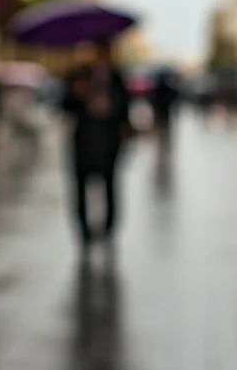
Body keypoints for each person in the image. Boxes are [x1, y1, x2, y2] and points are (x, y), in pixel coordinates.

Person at [62, 39, 132, 254]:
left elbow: (125, 111)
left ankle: (109, 228)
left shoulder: (117, 78)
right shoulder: (79, 75)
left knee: (110, 185)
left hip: (108, 141)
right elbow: (65, 105)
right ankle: (83, 230)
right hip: (84, 141)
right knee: (81, 187)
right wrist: (76, 94)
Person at [149, 73, 180, 153]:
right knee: (164, 123)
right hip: (165, 110)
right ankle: (163, 134)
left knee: (161, 123)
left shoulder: (157, 89)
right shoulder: (167, 88)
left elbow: (153, 98)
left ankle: (161, 134)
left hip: (160, 110)